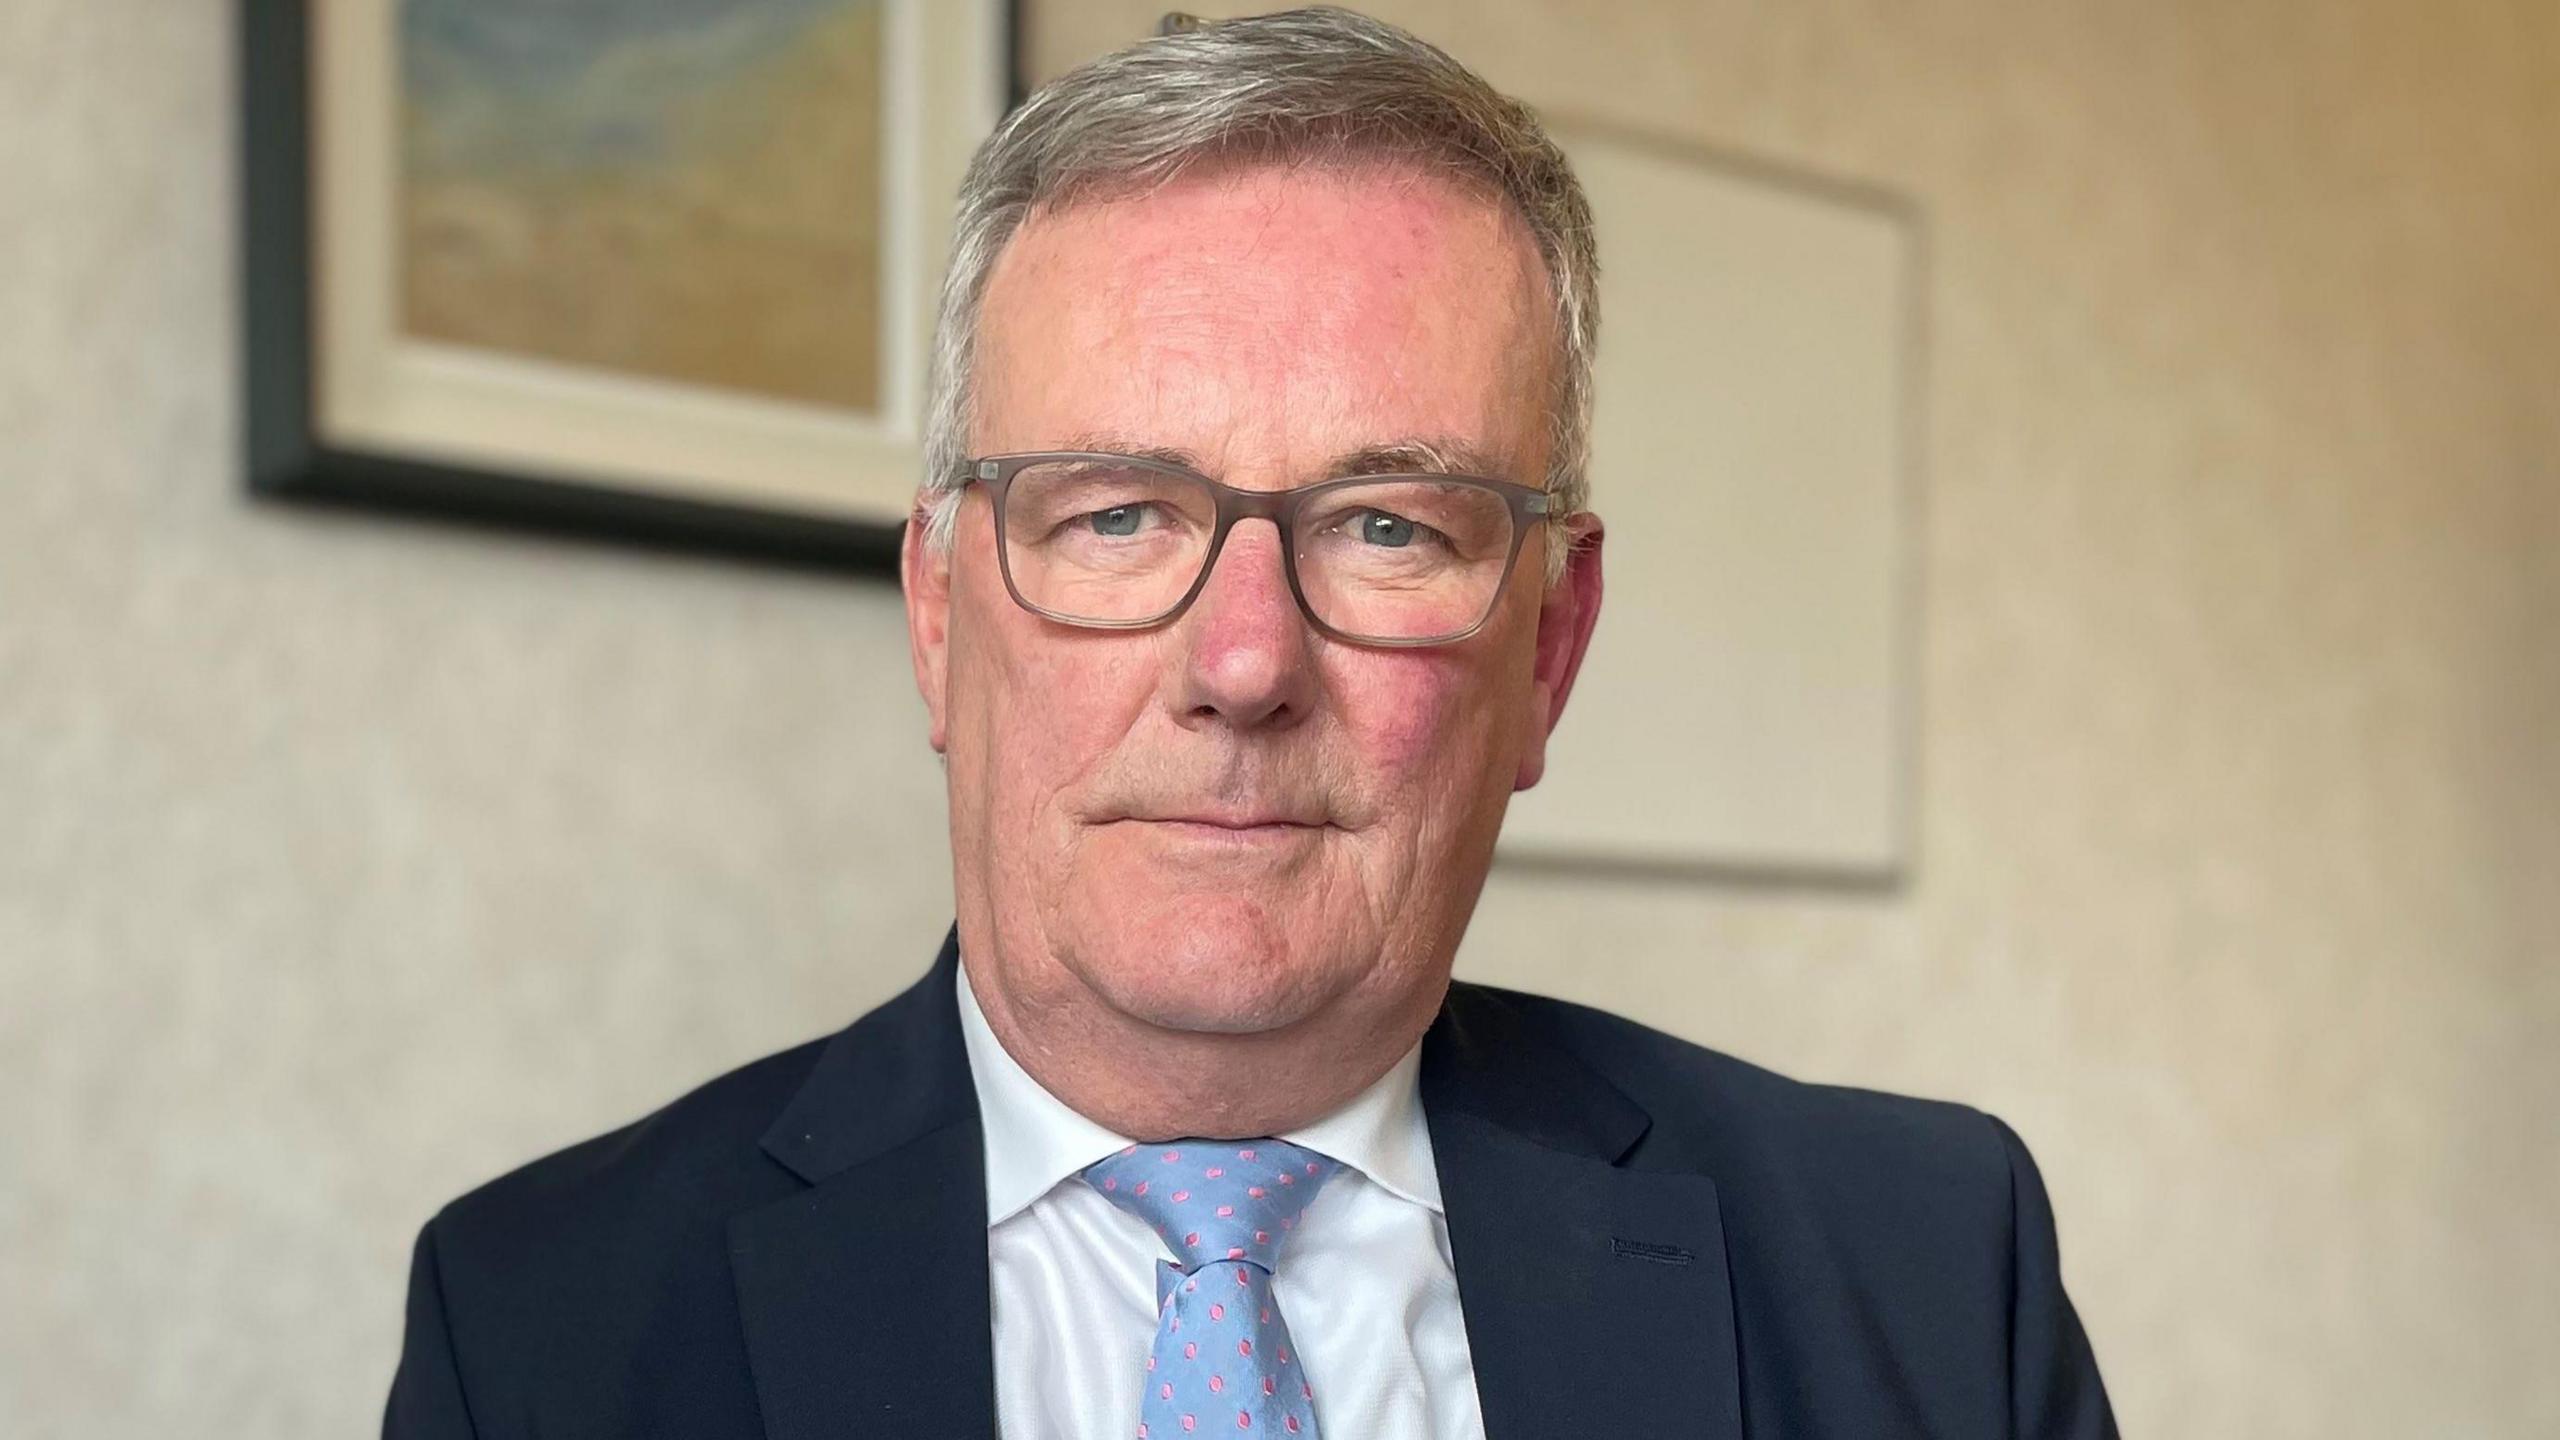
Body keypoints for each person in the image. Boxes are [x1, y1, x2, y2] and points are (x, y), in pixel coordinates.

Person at [384, 9, 2117, 1438]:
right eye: (1115, 515)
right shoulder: (540, 1330)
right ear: (936, 613)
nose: (1241, 662)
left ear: (1552, 649)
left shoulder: (1921, 1275)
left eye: (1390, 527)